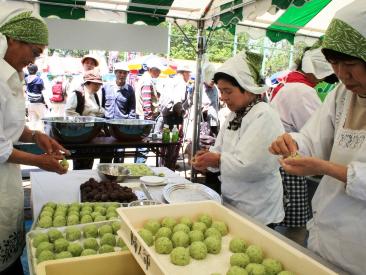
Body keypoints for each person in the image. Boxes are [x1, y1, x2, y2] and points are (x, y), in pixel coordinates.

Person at [269, 1, 366, 273]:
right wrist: (292, 143)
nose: (342, 75)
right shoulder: (342, 94)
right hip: (327, 234)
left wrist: (324, 168)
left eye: (350, 64)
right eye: (335, 64)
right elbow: (314, 137)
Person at [0, 8, 69, 274]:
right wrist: (40, 162)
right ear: (13, 40)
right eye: (35, 52)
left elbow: (8, 128)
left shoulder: (11, 75)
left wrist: (35, 135)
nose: (32, 61)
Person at [192, 52, 285, 226]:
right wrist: (207, 159)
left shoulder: (264, 115)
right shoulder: (234, 115)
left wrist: (217, 160)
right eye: (221, 91)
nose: (223, 97)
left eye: (228, 91)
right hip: (234, 201)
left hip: (258, 209)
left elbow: (251, 165)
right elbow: (219, 149)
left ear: (247, 88)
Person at [270, 46, 338, 232]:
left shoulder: (289, 83)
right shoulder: (302, 91)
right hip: (289, 164)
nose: (323, 80)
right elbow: (315, 134)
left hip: (280, 160)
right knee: (296, 226)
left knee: (281, 219)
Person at [65, 70, 105, 169]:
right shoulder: (78, 94)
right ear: (88, 83)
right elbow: (69, 112)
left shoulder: (94, 95)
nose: (98, 87)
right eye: (96, 84)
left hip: (91, 134)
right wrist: (84, 120)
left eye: (99, 84)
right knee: (80, 161)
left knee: (89, 159)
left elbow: (97, 110)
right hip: (79, 134)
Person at [101, 62, 136, 163]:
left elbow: (132, 110)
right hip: (107, 127)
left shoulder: (130, 90)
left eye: (124, 73)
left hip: (122, 128)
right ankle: (105, 177)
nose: (122, 75)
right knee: (106, 155)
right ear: (115, 73)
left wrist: (129, 126)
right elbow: (101, 106)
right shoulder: (106, 87)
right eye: (120, 72)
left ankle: (117, 177)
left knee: (119, 157)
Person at [135, 59, 163, 163]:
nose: (159, 73)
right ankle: (139, 168)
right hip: (145, 118)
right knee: (144, 146)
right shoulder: (147, 81)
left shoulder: (144, 79)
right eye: (158, 70)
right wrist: (149, 117)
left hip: (142, 116)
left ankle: (138, 166)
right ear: (151, 70)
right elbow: (146, 101)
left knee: (141, 145)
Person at [24, 63, 47, 130]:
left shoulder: (26, 79)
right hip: (39, 103)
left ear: (28, 70)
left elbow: (24, 90)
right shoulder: (39, 80)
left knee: (32, 123)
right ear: (36, 70)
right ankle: (43, 136)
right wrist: (47, 103)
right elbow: (43, 92)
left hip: (30, 103)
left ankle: (32, 138)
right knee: (44, 121)